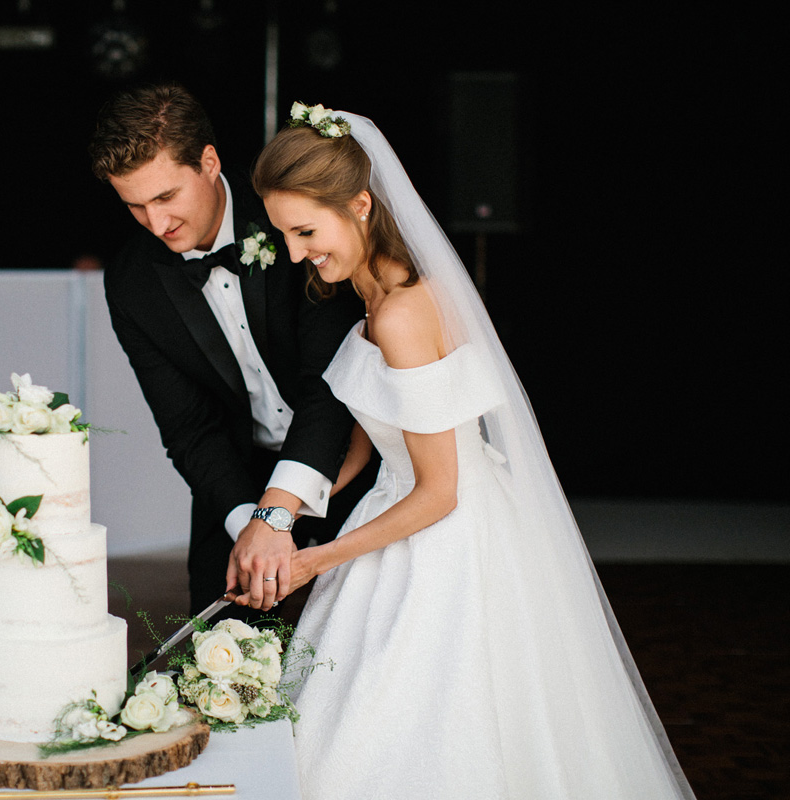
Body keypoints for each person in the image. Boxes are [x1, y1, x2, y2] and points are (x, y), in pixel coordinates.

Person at [244, 104, 696, 799]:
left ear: (360, 204)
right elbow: (364, 442)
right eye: (284, 234)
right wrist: (279, 523)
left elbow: (440, 490)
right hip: (394, 509)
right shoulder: (371, 293)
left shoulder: (400, 315)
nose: (298, 253)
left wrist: (314, 558)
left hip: (444, 535)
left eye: (306, 231)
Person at [88, 85, 377, 616]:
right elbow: (189, 429)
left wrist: (278, 515)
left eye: (166, 197)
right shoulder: (132, 283)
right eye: (135, 206)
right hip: (237, 491)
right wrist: (253, 525)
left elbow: (329, 382)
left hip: (355, 466)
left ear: (209, 161)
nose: (157, 224)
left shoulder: (289, 211)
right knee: (224, 675)